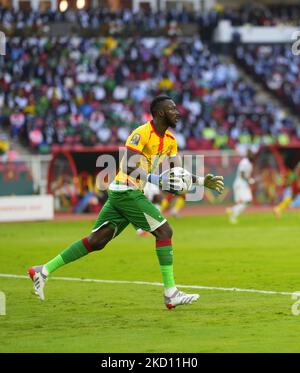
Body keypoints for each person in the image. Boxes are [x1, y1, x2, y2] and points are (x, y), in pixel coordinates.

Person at [28, 95, 224, 309]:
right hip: (126, 190)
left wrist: (202, 181)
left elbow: (178, 172)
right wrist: (156, 179)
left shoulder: (170, 140)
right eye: (172, 109)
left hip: (126, 192)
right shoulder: (141, 134)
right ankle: (171, 294)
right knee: (165, 232)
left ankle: (42, 270)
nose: (177, 112)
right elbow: (129, 166)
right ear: (160, 113)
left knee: (96, 241)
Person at [226, 149, 255, 224]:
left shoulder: (249, 163)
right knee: (247, 201)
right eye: (251, 154)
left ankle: (232, 212)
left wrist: (249, 180)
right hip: (240, 184)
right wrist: (249, 180)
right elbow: (242, 174)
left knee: (245, 202)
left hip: (243, 184)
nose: (253, 156)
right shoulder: (244, 162)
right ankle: (232, 213)